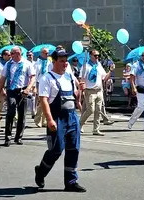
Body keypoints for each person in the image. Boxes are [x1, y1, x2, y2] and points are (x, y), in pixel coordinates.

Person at [34, 48, 85, 192]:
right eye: (62, 61)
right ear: (54, 61)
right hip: (57, 118)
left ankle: (71, 181)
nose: (65, 64)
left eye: (66, 61)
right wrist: (50, 120)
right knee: (56, 149)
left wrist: (80, 89)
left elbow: (74, 96)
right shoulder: (47, 78)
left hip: (72, 117)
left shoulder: (69, 76)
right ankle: (41, 171)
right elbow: (43, 100)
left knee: (73, 148)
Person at [0, 45, 35, 147]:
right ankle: (7, 137)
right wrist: (0, 89)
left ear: (20, 53)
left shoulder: (27, 64)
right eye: (13, 53)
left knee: (22, 114)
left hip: (23, 90)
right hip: (11, 90)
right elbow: (3, 77)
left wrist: (28, 89)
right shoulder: (8, 64)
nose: (15, 55)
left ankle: (18, 137)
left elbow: (32, 78)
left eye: (17, 53)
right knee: (10, 111)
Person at [79, 49, 107, 136]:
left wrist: (111, 71)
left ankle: (96, 129)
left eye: (98, 55)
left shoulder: (99, 65)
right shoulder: (86, 66)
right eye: (95, 55)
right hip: (90, 91)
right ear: (90, 56)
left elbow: (104, 77)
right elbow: (82, 78)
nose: (97, 57)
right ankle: (79, 124)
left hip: (99, 90)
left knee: (98, 111)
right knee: (90, 110)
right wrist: (82, 88)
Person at [31, 47, 52, 127]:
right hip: (39, 83)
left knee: (48, 102)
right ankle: (38, 119)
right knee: (42, 102)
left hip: (48, 83)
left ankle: (45, 120)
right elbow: (35, 75)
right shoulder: (37, 63)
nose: (47, 54)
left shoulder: (49, 62)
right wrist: (34, 87)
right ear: (41, 53)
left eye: (48, 53)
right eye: (46, 53)